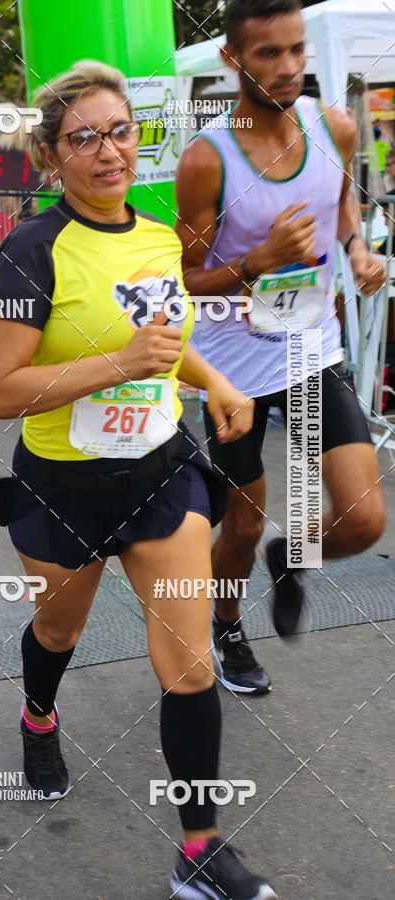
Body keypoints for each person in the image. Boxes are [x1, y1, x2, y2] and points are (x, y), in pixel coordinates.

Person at [0, 60, 277, 900]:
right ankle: (40, 717)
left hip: (158, 472)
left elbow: (165, 338)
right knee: (61, 632)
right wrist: (114, 364)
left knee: (187, 665)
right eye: (85, 138)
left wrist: (212, 381)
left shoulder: (154, 236)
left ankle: (199, 852)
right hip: (65, 487)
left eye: (122, 131)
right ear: (51, 155)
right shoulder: (29, 251)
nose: (110, 151)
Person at [175, 0, 387, 695]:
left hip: (309, 351)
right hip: (233, 369)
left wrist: (357, 251)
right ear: (233, 60)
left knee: (362, 520)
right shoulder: (208, 160)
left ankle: (291, 556)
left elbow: (342, 208)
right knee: (241, 521)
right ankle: (228, 627)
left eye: (298, 50)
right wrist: (256, 261)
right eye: (269, 53)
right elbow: (187, 282)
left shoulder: (337, 128)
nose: (290, 66)